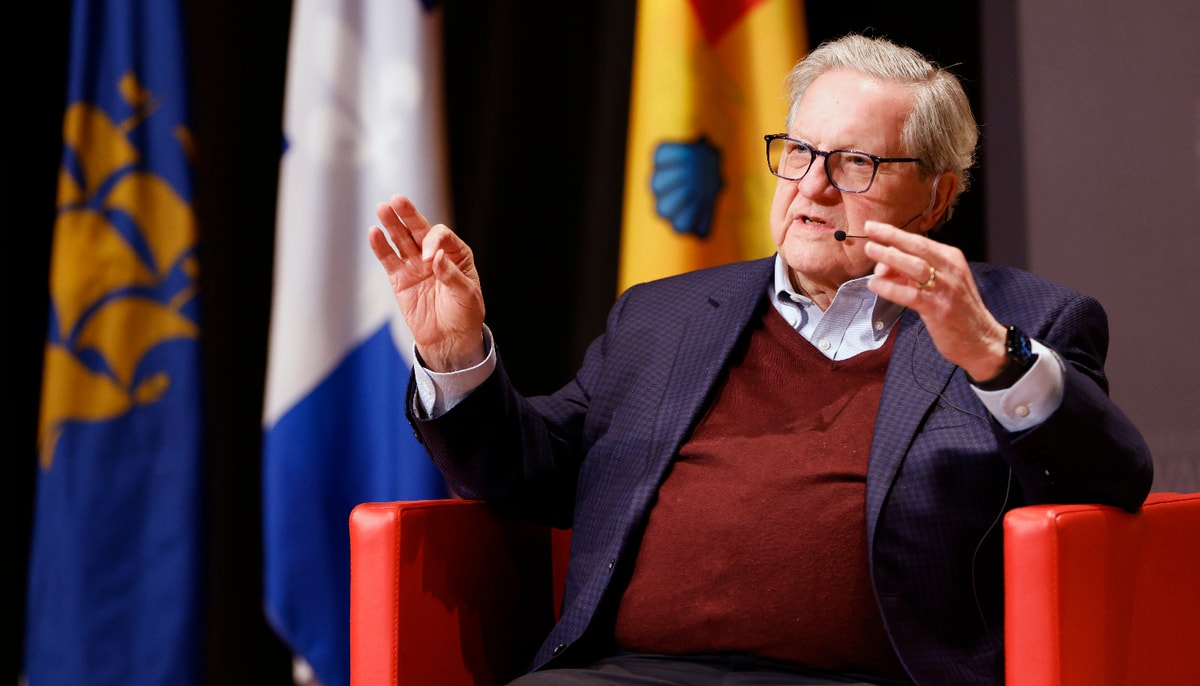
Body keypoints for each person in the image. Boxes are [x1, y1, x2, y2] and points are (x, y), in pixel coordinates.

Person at [367, 33, 1152, 686]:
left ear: (937, 198)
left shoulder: (1015, 319)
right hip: (629, 673)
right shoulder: (663, 315)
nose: (812, 187)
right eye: (799, 152)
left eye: (856, 164)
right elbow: (529, 471)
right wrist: (454, 351)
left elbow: (1109, 479)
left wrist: (988, 355)